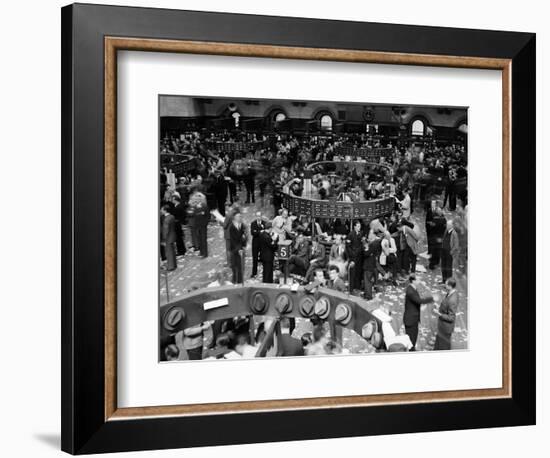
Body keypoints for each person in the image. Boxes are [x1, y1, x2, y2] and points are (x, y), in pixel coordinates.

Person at [403, 274, 433, 350]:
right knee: (411, 340)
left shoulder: (412, 288)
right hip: (410, 319)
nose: (420, 281)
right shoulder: (411, 291)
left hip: (413, 318)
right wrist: (431, 299)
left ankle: (412, 349)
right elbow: (419, 301)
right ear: (413, 281)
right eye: (418, 280)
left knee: (414, 337)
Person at [433, 278, 459, 350]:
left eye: (446, 284)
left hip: (446, 327)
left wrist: (439, 313)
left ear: (450, 286)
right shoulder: (451, 292)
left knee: (443, 346)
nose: (445, 285)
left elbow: (451, 318)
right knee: (440, 342)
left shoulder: (452, 300)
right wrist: (439, 306)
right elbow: (447, 306)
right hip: (442, 326)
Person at [228, 211, 247, 284]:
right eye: (238, 216)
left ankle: (240, 281)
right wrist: (238, 249)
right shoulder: (232, 227)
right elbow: (233, 240)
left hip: (240, 249)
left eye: (240, 216)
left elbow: (243, 236)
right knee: (234, 266)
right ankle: (234, 280)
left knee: (240, 266)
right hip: (234, 249)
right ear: (235, 218)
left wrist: (244, 244)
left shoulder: (241, 225)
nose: (240, 218)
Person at [346, 220, 364, 291]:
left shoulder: (361, 234)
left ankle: (357, 286)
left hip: (359, 256)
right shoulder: (350, 234)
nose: (359, 228)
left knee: (358, 272)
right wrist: (352, 254)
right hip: (353, 256)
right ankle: (351, 288)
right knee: (352, 272)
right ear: (354, 227)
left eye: (360, 226)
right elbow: (348, 246)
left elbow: (362, 244)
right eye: (358, 226)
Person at [441, 218, 460, 282]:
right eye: (447, 225)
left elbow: (456, 245)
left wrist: (451, 252)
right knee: (443, 266)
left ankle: (449, 283)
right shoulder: (446, 230)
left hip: (449, 253)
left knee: (448, 268)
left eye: (448, 225)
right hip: (443, 251)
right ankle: (444, 281)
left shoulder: (454, 233)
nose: (447, 226)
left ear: (451, 226)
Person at [160, 204, 177, 271]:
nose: (161, 210)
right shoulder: (172, 216)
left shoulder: (166, 219)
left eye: (162, 209)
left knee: (169, 252)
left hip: (168, 237)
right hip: (172, 235)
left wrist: (164, 239)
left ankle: (170, 266)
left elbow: (165, 230)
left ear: (165, 210)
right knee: (172, 251)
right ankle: (174, 264)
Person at [250, 211, 265, 278]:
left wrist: (257, 232)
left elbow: (265, 233)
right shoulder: (253, 223)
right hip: (255, 244)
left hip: (262, 244)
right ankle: (254, 273)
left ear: (261, 216)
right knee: (255, 259)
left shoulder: (264, 223)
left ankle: (264, 273)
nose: (258, 217)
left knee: (263, 258)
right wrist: (260, 231)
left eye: (259, 216)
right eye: (257, 216)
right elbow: (253, 233)